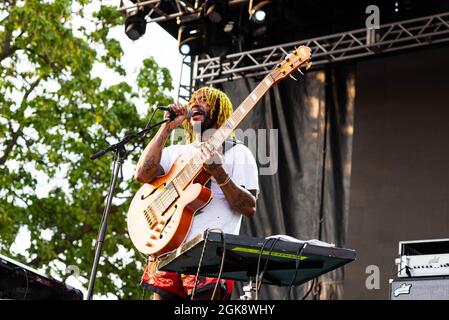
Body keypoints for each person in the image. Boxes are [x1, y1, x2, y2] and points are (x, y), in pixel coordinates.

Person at [134, 87, 259, 300]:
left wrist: (219, 173)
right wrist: (166, 129)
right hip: (167, 248)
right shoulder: (176, 153)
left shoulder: (237, 152)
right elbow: (142, 174)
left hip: (209, 252)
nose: (195, 104)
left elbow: (249, 207)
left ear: (220, 111)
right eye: (193, 100)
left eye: (205, 101)